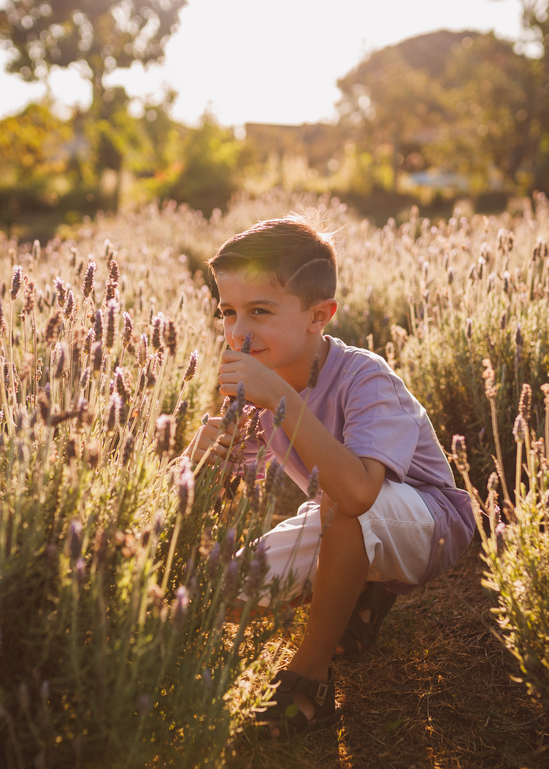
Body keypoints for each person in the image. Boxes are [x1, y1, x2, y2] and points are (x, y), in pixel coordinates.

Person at [184, 215, 475, 738]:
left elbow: (361, 492)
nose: (239, 332)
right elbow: (226, 494)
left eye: (260, 311)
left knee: (345, 506)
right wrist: (198, 461)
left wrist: (280, 398)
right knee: (224, 591)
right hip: (336, 516)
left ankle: (309, 678)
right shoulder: (256, 388)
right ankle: (359, 595)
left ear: (320, 315)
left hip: (427, 520)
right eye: (228, 312)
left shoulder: (366, 376)